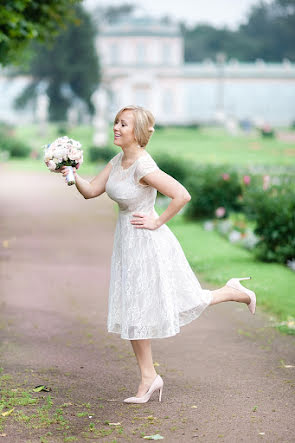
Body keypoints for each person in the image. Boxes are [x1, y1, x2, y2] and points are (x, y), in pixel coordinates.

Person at [59, 105, 256, 404]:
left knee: (158, 305)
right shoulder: (118, 161)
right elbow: (90, 191)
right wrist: (71, 172)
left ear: (137, 133)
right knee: (134, 310)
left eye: (123, 124)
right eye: (115, 122)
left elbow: (182, 194)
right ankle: (149, 377)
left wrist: (156, 220)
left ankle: (232, 292)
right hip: (127, 242)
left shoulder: (143, 166)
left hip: (146, 242)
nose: (116, 127)